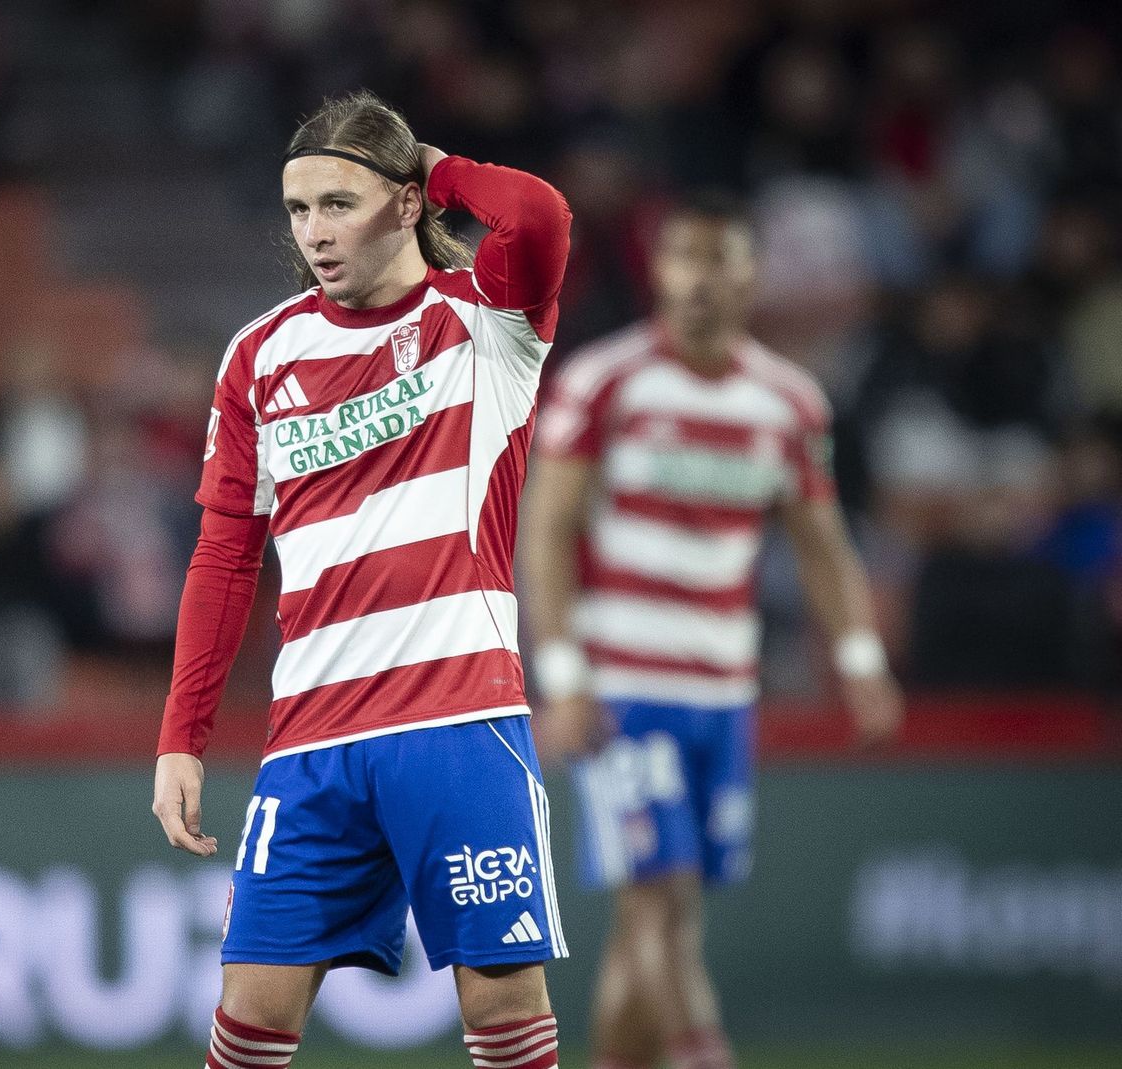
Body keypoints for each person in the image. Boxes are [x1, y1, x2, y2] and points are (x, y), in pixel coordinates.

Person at [151, 90, 573, 1069]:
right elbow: (224, 556)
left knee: (504, 1010)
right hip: (312, 738)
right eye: (298, 210)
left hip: (458, 720)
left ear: (406, 201)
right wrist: (181, 735)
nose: (313, 232)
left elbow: (538, 214)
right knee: (249, 1017)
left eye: (338, 203)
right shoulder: (260, 354)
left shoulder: (487, 323)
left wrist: (437, 164)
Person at [522, 192, 904, 1069]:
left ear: (750, 276)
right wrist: (564, 677)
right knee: (658, 893)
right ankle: (704, 1050)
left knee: (659, 911)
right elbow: (546, 530)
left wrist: (860, 661)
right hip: (624, 684)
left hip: (725, 688)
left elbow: (822, 543)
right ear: (660, 270)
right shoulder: (605, 380)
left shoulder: (789, 403)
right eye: (684, 258)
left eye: (719, 259)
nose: (700, 279)